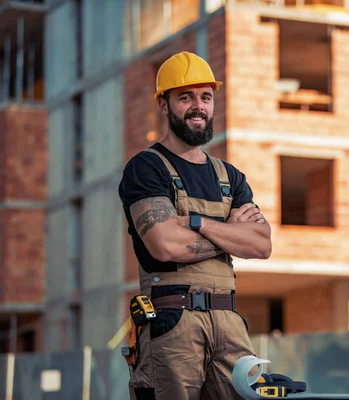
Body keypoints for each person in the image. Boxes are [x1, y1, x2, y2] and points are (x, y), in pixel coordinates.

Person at [118, 51, 272, 399]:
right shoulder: (147, 168)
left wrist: (198, 222)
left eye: (206, 97)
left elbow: (262, 245)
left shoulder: (229, 176)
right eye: (185, 97)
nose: (197, 106)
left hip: (229, 321)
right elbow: (166, 245)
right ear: (164, 104)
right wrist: (231, 233)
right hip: (173, 322)